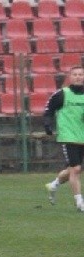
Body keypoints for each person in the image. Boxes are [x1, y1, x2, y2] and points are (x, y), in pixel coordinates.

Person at [43, 65, 84, 210]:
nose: (78, 77)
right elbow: (49, 109)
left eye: (81, 74)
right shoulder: (62, 94)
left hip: (82, 136)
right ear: (70, 77)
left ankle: (54, 184)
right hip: (68, 136)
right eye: (75, 74)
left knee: (73, 170)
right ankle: (79, 202)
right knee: (76, 169)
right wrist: (47, 124)